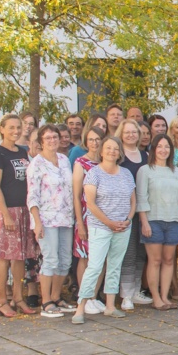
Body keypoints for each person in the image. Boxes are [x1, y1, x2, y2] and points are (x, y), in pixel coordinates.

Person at [71, 137, 136, 324]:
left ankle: (110, 305)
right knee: (95, 266)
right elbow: (90, 203)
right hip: (100, 227)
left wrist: (128, 220)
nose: (112, 151)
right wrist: (109, 222)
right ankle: (80, 307)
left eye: (116, 148)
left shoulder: (126, 174)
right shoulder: (93, 173)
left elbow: (133, 201)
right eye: (108, 148)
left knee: (115, 266)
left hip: (123, 227)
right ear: (101, 151)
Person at [0, 114, 37, 317]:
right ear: (2, 129)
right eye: (11, 127)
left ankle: (18, 297)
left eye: (18, 127)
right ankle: (2, 300)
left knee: (20, 257)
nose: (16, 131)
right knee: (3, 257)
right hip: (5, 211)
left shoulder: (22, 153)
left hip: (23, 210)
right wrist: (6, 215)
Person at [27, 125, 76, 317]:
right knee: (51, 259)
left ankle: (57, 297)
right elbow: (32, 196)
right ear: (41, 141)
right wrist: (37, 221)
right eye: (47, 138)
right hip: (46, 218)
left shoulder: (64, 160)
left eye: (55, 136)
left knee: (65, 260)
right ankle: (46, 301)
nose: (52, 140)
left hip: (65, 217)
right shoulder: (36, 164)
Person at [137, 134, 178, 310]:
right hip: (153, 220)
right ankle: (156, 297)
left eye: (167, 147)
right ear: (153, 149)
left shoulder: (175, 171)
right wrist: (144, 222)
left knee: (169, 260)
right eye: (159, 146)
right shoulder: (145, 170)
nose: (163, 150)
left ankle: (165, 297)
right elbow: (141, 198)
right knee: (155, 260)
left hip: (173, 220)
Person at [115, 119, 151, 310]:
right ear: (121, 134)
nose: (131, 135)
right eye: (127, 132)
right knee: (128, 254)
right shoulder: (118, 156)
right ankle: (126, 295)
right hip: (124, 212)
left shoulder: (145, 155)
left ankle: (136, 291)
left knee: (141, 253)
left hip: (143, 212)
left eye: (134, 132)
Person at [71, 126, 107, 312]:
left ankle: (94, 296)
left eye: (98, 139)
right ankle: (84, 297)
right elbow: (77, 196)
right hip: (85, 216)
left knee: (101, 259)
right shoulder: (80, 163)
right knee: (85, 258)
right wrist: (80, 222)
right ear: (86, 141)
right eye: (91, 139)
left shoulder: (105, 162)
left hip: (103, 216)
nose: (95, 143)